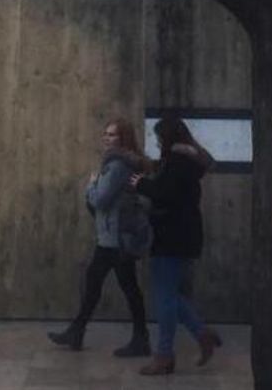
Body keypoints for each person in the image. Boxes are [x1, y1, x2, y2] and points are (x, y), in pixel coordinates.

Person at [48, 117, 153, 356]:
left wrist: (91, 184)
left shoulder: (117, 167)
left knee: (115, 286)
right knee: (109, 284)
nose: (106, 138)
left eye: (112, 134)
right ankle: (79, 331)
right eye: (105, 134)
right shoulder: (118, 163)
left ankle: (138, 338)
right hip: (113, 237)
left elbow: (100, 200)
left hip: (115, 239)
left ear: (123, 138)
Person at [129, 116, 222, 376]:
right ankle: (202, 335)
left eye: (159, 136)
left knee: (165, 298)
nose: (157, 141)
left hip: (172, 237)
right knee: (171, 295)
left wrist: (140, 184)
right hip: (183, 236)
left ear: (168, 137)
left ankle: (165, 356)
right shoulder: (188, 161)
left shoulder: (177, 162)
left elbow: (164, 194)